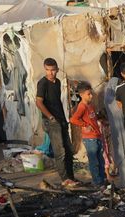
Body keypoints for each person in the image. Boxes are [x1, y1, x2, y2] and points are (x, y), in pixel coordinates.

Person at [36, 58, 77, 188]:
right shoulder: (42, 83)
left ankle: (71, 178)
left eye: (53, 70)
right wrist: (50, 117)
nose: (50, 73)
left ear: (57, 70)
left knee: (69, 150)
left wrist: (62, 119)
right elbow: (39, 102)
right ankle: (65, 179)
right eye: (47, 70)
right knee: (60, 151)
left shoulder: (58, 82)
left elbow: (57, 102)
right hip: (51, 121)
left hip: (61, 119)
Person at [70, 82, 106, 187]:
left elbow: (93, 118)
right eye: (88, 94)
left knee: (100, 160)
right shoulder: (82, 106)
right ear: (81, 95)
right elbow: (73, 119)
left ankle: (102, 180)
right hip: (90, 138)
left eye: (91, 93)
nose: (90, 96)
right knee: (94, 162)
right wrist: (85, 125)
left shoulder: (90, 106)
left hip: (96, 136)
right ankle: (97, 182)